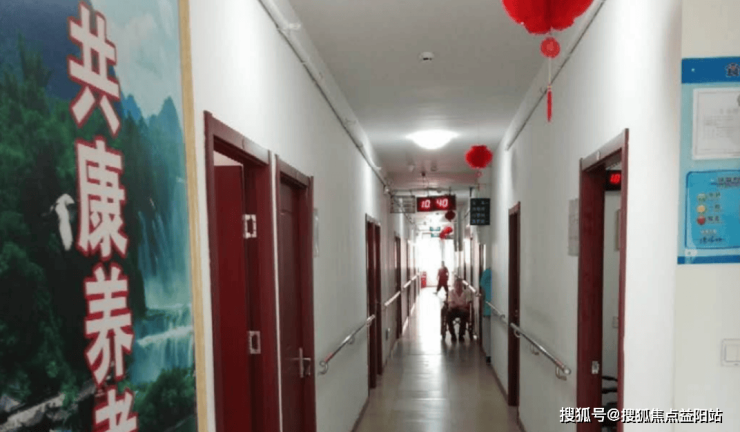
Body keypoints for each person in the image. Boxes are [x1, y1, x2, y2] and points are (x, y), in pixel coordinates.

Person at [447, 278, 473, 342]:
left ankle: (461, 335)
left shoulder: (467, 292)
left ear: (462, 285)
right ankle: (453, 334)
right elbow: (451, 305)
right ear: (454, 285)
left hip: (463, 311)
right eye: (456, 285)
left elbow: (468, 305)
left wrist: (456, 304)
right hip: (453, 310)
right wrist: (461, 305)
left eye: (460, 285)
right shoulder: (450, 292)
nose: (458, 287)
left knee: (465, 313)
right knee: (448, 314)